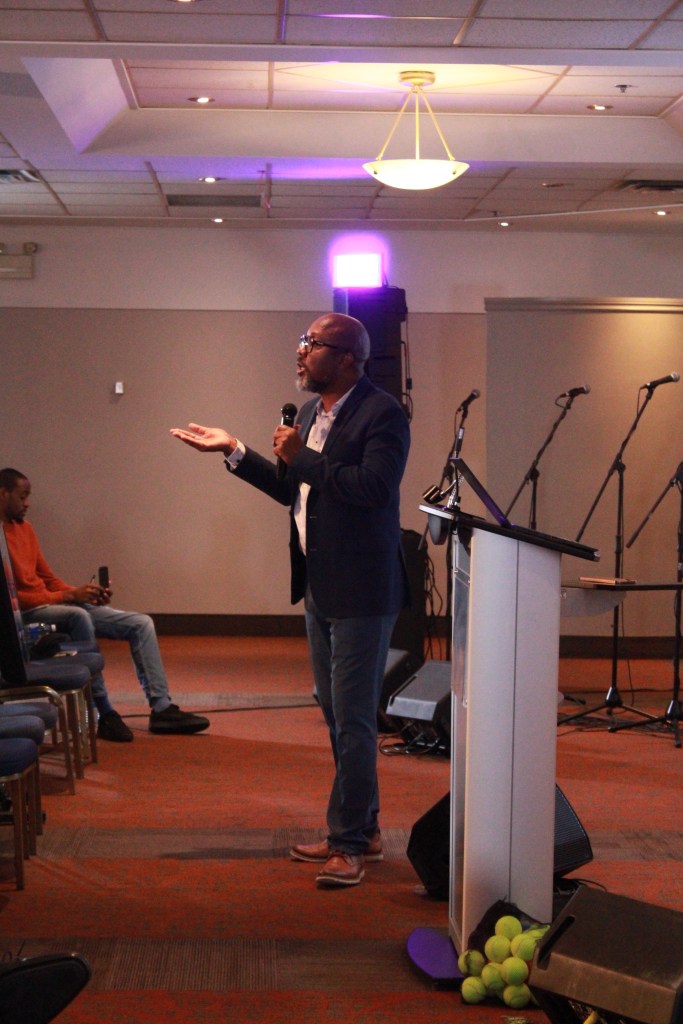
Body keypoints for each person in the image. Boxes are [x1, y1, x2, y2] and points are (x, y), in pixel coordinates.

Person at [171, 312, 410, 888]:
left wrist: (301, 456)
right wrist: (235, 450)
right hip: (321, 586)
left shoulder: (383, 414)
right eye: (302, 342)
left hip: (363, 589)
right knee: (335, 712)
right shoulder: (307, 414)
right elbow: (290, 488)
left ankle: (349, 844)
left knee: (352, 719)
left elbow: (372, 488)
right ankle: (364, 827)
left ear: (347, 357)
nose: (300, 352)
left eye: (312, 343)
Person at [0, 468, 210, 742]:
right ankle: (105, 711)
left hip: (54, 604)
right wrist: (68, 597)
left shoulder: (25, 529)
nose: (27, 503)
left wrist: (83, 593)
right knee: (78, 617)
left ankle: (162, 708)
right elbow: (13, 600)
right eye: (22, 496)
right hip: (28, 615)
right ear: (3, 494)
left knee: (141, 623)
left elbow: (48, 580)